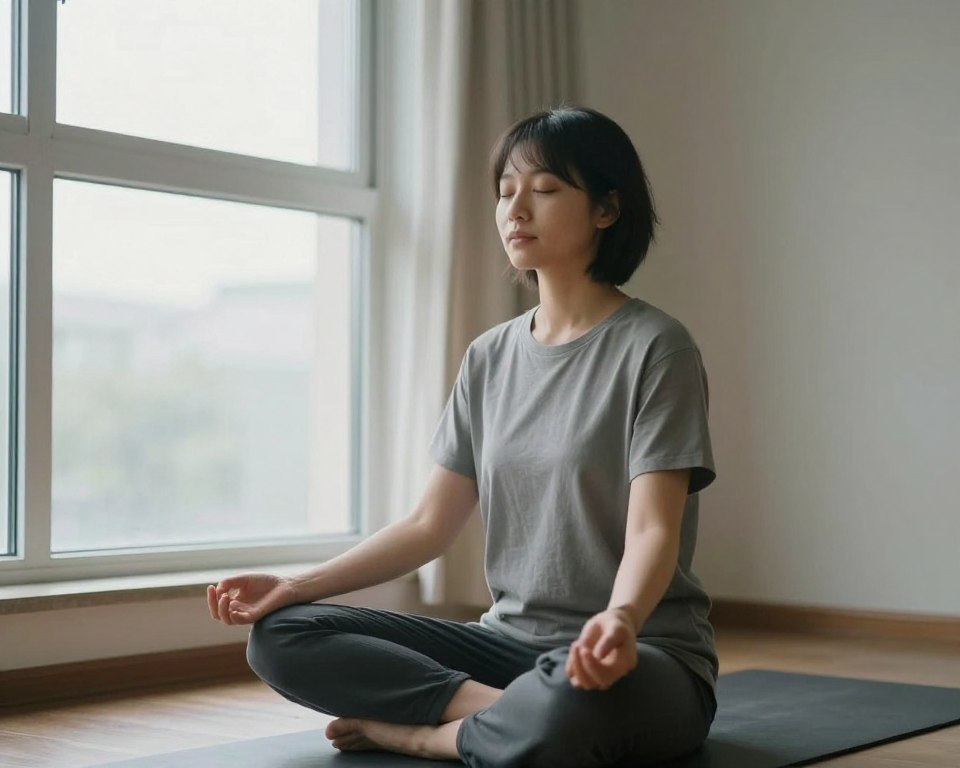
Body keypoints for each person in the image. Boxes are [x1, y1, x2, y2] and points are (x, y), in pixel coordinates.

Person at [207, 105, 718, 767]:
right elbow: (428, 526)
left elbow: (654, 531)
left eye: (545, 190)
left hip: (639, 656)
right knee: (281, 637)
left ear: (606, 210)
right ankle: (510, 718)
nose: (516, 210)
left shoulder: (657, 348)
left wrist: (618, 621)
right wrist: (296, 587)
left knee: (578, 702)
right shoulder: (489, 357)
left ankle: (422, 734)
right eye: (506, 193)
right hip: (509, 652)